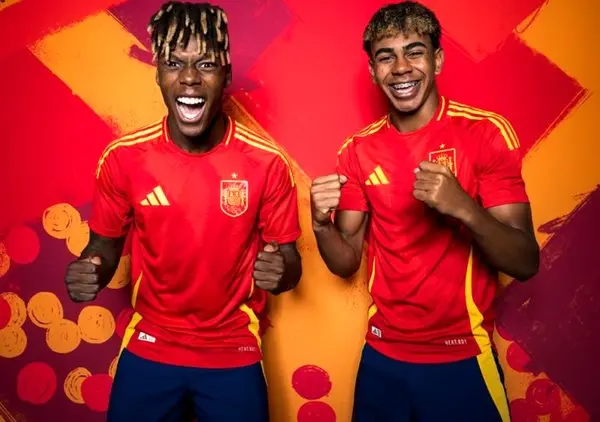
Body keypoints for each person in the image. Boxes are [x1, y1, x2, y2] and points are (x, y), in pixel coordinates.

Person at [64, 2, 302, 421]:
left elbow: (290, 262)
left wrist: (281, 271)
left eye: (206, 64)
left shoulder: (267, 163)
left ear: (226, 74)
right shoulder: (124, 159)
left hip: (232, 347)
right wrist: (91, 269)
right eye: (174, 63)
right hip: (151, 342)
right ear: (157, 73)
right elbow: (103, 247)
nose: (189, 78)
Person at [310, 2, 539, 421]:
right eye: (386, 57)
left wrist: (464, 208)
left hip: (461, 356)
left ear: (437, 60)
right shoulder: (357, 150)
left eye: (414, 52)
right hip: (382, 356)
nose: (401, 68)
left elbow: (525, 262)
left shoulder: (484, 133)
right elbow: (346, 262)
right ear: (372, 70)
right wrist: (320, 225)